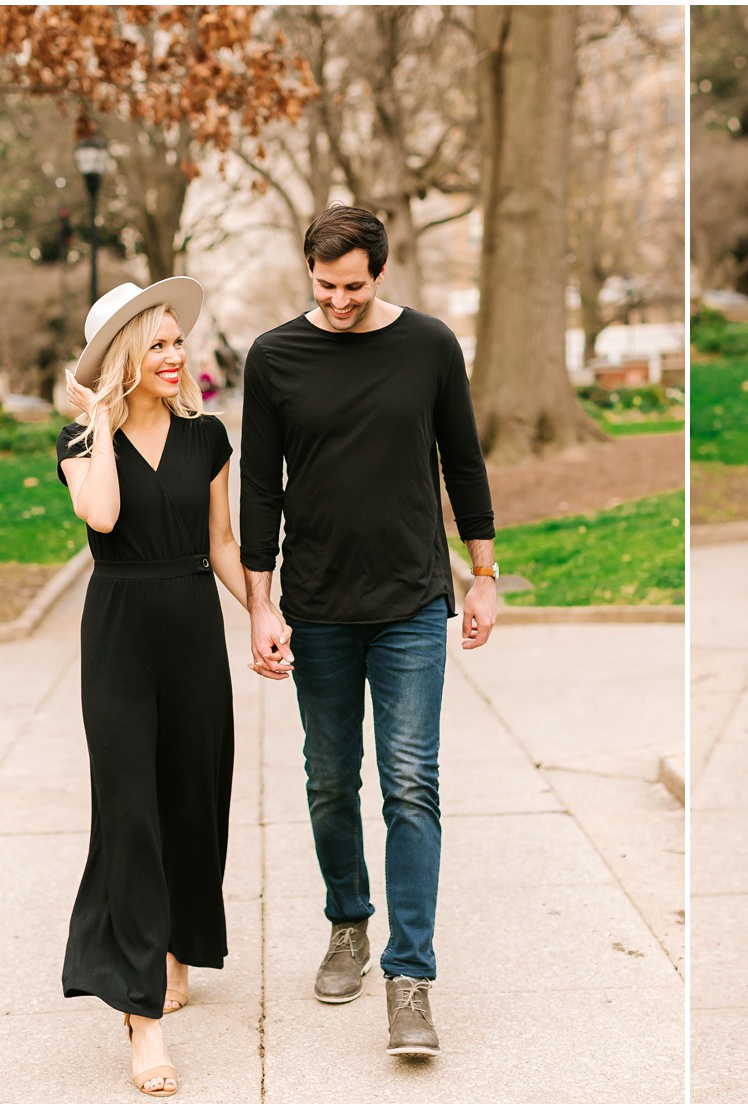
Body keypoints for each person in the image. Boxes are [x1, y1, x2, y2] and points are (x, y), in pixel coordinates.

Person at [239, 203, 497, 1058]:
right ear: (306, 272)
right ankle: (348, 921)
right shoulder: (274, 357)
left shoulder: (428, 346)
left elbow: (463, 460)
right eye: (325, 285)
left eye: (354, 286)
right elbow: (261, 490)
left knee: (411, 783)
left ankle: (410, 975)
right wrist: (260, 603)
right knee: (327, 778)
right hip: (314, 607)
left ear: (380, 273)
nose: (340, 300)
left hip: (412, 604)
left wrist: (485, 575)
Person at [57, 277, 290, 1097]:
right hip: (119, 634)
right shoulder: (79, 443)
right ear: (122, 355)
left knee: (194, 797)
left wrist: (264, 611)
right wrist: (97, 417)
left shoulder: (206, 438)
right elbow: (108, 519)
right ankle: (140, 1018)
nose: (174, 355)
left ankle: (175, 945)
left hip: (192, 627)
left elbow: (222, 543)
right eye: (155, 344)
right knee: (129, 811)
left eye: (175, 342)